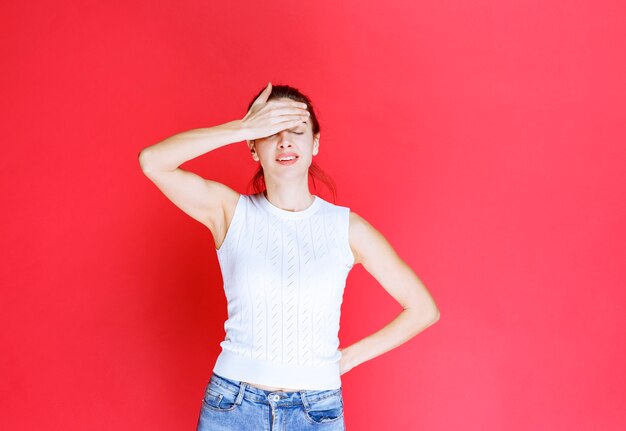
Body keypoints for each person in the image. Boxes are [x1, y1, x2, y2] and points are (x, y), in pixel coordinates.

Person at [138, 82, 441, 430]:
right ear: (253, 147)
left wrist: (347, 359)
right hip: (232, 407)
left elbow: (423, 309)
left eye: (297, 131)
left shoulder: (347, 229)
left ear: (314, 144)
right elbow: (152, 161)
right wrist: (243, 127)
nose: (284, 141)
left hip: (317, 410)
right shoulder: (229, 212)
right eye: (271, 132)